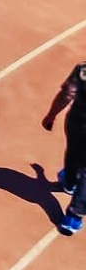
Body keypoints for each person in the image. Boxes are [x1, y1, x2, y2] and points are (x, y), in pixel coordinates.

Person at [42, 58, 86, 235]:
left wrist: (51, 116)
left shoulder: (83, 69)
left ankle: (69, 180)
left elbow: (67, 93)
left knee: (74, 150)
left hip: (77, 122)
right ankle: (73, 217)